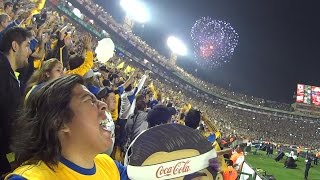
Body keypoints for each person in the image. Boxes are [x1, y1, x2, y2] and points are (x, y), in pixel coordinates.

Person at [6, 75, 127, 179]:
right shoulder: (30, 178)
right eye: (89, 100)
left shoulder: (110, 166)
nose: (103, 105)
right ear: (60, 121)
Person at [0, 27, 31, 178]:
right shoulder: (2, 72)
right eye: (27, 45)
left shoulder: (9, 74)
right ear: (14, 46)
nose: (29, 52)